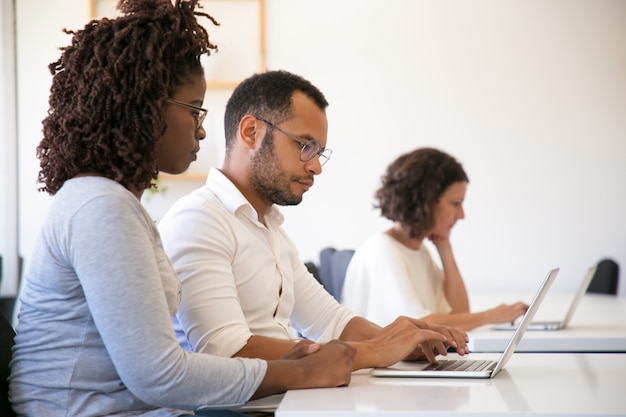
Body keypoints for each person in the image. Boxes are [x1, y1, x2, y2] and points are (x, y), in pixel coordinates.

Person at [8, 2, 358, 416]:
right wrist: (298, 373)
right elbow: (158, 375)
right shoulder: (100, 206)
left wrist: (293, 364)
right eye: (194, 109)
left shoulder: (113, 203)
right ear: (146, 105)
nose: (202, 129)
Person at [158, 70, 469, 372]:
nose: (317, 167)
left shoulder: (271, 231)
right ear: (251, 132)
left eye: (319, 152)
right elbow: (226, 351)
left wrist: (408, 343)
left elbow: (333, 322)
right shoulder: (199, 220)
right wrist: (374, 350)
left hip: (286, 399)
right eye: (304, 146)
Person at [341, 147, 529, 330]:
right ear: (427, 201)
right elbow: (416, 326)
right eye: (456, 203)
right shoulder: (383, 250)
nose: (462, 215)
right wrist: (490, 316)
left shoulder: (418, 251)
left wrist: (444, 247)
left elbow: (459, 314)